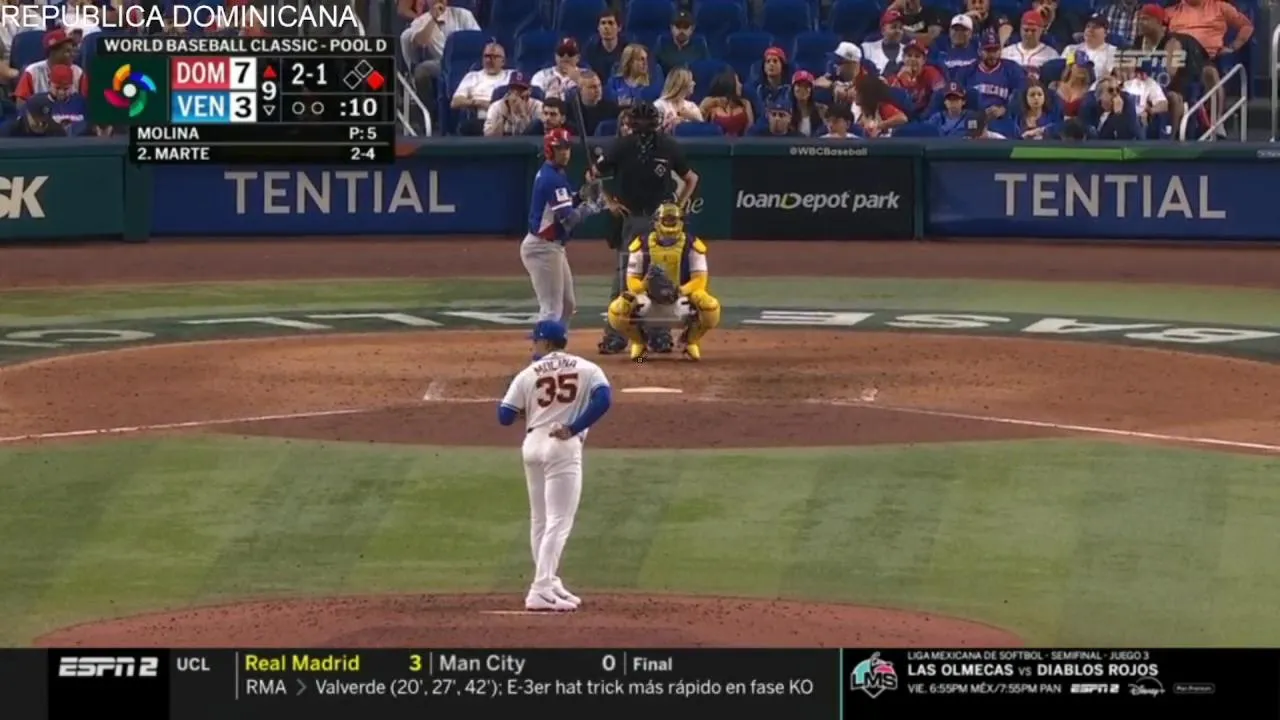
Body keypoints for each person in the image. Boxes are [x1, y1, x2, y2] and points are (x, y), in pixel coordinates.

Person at [498, 319, 612, 612]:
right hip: (562, 445)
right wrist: (574, 427)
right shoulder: (587, 368)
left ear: (546, 343)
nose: (533, 346)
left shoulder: (528, 373)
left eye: (535, 341)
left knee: (540, 520)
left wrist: (532, 411)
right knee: (559, 521)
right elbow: (604, 400)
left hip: (532, 445)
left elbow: (504, 416)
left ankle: (548, 581)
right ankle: (540, 588)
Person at [590, 101, 699, 355]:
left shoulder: (667, 146)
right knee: (626, 278)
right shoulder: (622, 146)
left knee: (659, 277)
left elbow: (691, 178)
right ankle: (617, 335)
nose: (643, 132)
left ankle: (657, 334)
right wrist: (609, 202)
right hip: (632, 219)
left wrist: (678, 206)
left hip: (660, 223)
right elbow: (592, 174)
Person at [607, 203, 721, 362]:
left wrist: (680, 290)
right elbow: (632, 282)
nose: (669, 224)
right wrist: (647, 283)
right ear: (656, 222)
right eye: (666, 220)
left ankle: (689, 341)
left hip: (681, 301)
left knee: (709, 306)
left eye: (673, 220)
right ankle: (639, 343)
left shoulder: (692, 245)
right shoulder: (641, 245)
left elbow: (700, 280)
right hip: (648, 301)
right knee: (618, 309)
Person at [520, 129, 609, 327]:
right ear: (549, 150)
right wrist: (592, 206)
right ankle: (544, 344)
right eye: (559, 148)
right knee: (552, 308)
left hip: (553, 247)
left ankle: (557, 340)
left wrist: (583, 195)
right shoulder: (551, 178)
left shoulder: (556, 174)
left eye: (567, 148)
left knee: (567, 305)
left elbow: (567, 202)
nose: (565, 153)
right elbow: (568, 219)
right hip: (542, 248)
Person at [1167, 0, 1252, 131]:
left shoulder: (1220, 7)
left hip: (1206, 58)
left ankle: (1216, 122)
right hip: (1178, 60)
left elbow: (1246, 26)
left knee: (1210, 73)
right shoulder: (1172, 11)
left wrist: (1234, 46)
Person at [398, 0, 480, 120]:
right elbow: (420, 42)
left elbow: (478, 41)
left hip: (466, 62)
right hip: (440, 63)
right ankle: (431, 116)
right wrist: (433, 19)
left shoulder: (463, 14)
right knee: (422, 70)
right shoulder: (420, 21)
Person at [957, 30, 1026, 122]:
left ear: (1000, 50)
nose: (992, 55)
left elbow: (1021, 95)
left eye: (995, 50)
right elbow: (957, 99)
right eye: (988, 51)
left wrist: (1004, 109)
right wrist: (979, 114)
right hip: (974, 120)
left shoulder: (1012, 69)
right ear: (979, 51)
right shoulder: (967, 71)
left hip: (1004, 120)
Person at [450, 40, 513, 136]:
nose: (490, 60)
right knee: (466, 127)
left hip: (506, 118)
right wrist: (479, 103)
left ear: (503, 61)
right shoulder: (472, 76)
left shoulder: (512, 75)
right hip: (481, 119)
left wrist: (495, 106)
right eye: (487, 56)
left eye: (495, 57)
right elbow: (455, 102)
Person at [14, 29, 88, 103]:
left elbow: (85, 103)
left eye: (72, 50)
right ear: (52, 53)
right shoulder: (32, 72)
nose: (72, 55)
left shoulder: (78, 73)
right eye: (67, 51)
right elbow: (21, 103)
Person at [888, 40, 946, 115]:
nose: (913, 59)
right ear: (903, 58)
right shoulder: (896, 74)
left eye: (917, 56)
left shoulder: (930, 72)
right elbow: (890, 99)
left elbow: (940, 93)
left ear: (924, 60)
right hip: (903, 116)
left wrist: (926, 115)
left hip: (926, 115)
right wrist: (898, 79)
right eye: (909, 55)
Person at [1117, 60, 1169, 137]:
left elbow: (1164, 104)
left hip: (1139, 118)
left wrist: (1150, 110)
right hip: (1120, 116)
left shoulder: (1149, 83)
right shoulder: (1118, 82)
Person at [1002, 11, 1059, 81]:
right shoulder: (1006, 53)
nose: (1029, 34)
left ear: (1041, 30)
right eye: (1026, 30)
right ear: (1020, 29)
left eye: (1033, 30)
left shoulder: (1051, 55)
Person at [482, 71, 542, 136]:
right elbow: (489, 137)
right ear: (509, 90)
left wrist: (523, 114)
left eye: (521, 90)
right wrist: (503, 117)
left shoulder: (537, 106)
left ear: (529, 91)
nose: (516, 93)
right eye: (513, 89)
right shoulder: (496, 107)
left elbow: (536, 137)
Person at [699, 69, 753, 136]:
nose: (741, 85)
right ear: (730, 84)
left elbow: (750, 129)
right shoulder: (710, 104)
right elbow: (700, 125)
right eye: (738, 82)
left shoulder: (745, 104)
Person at [607, 43, 660, 107]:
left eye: (646, 59)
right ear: (630, 62)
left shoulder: (650, 84)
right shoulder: (614, 82)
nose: (645, 63)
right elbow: (610, 103)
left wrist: (630, 102)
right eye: (641, 59)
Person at [1067, 15, 1119, 80]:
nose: (1090, 30)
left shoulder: (1114, 52)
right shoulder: (1071, 50)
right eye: (1088, 26)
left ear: (1105, 33)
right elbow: (1064, 73)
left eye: (1095, 27)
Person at [569, 71, 619, 137]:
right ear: (580, 90)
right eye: (592, 87)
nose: (598, 90)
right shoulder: (571, 110)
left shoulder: (612, 108)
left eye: (599, 85)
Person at [658, 10, 708, 74]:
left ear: (692, 29)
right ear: (671, 28)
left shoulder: (700, 46)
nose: (681, 31)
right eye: (678, 26)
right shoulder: (662, 45)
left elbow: (706, 69)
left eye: (686, 27)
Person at [863, 10, 908, 76]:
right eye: (894, 27)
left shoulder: (909, 51)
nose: (898, 31)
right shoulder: (867, 48)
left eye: (900, 28)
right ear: (883, 30)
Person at [584, 9, 625, 81]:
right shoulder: (590, 49)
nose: (606, 27)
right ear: (598, 28)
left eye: (610, 23)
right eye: (603, 23)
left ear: (619, 28)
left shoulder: (627, 49)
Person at [884, 0, 949, 45]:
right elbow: (886, 26)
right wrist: (894, 5)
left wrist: (904, 30)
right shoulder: (897, 15)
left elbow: (932, 33)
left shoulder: (931, 12)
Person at [48, 63, 88, 136]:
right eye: (57, 88)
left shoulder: (82, 103)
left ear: (72, 86)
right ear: (49, 84)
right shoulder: (39, 102)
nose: (61, 92)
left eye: (66, 88)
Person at [0, 93, 65, 137]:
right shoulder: (9, 132)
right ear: (27, 114)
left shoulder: (57, 132)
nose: (40, 124)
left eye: (44, 121)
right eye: (36, 120)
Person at [1052, 53, 1092, 118]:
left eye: (1085, 66)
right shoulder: (1054, 86)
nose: (1083, 69)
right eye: (1080, 65)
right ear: (1070, 67)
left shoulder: (1090, 90)